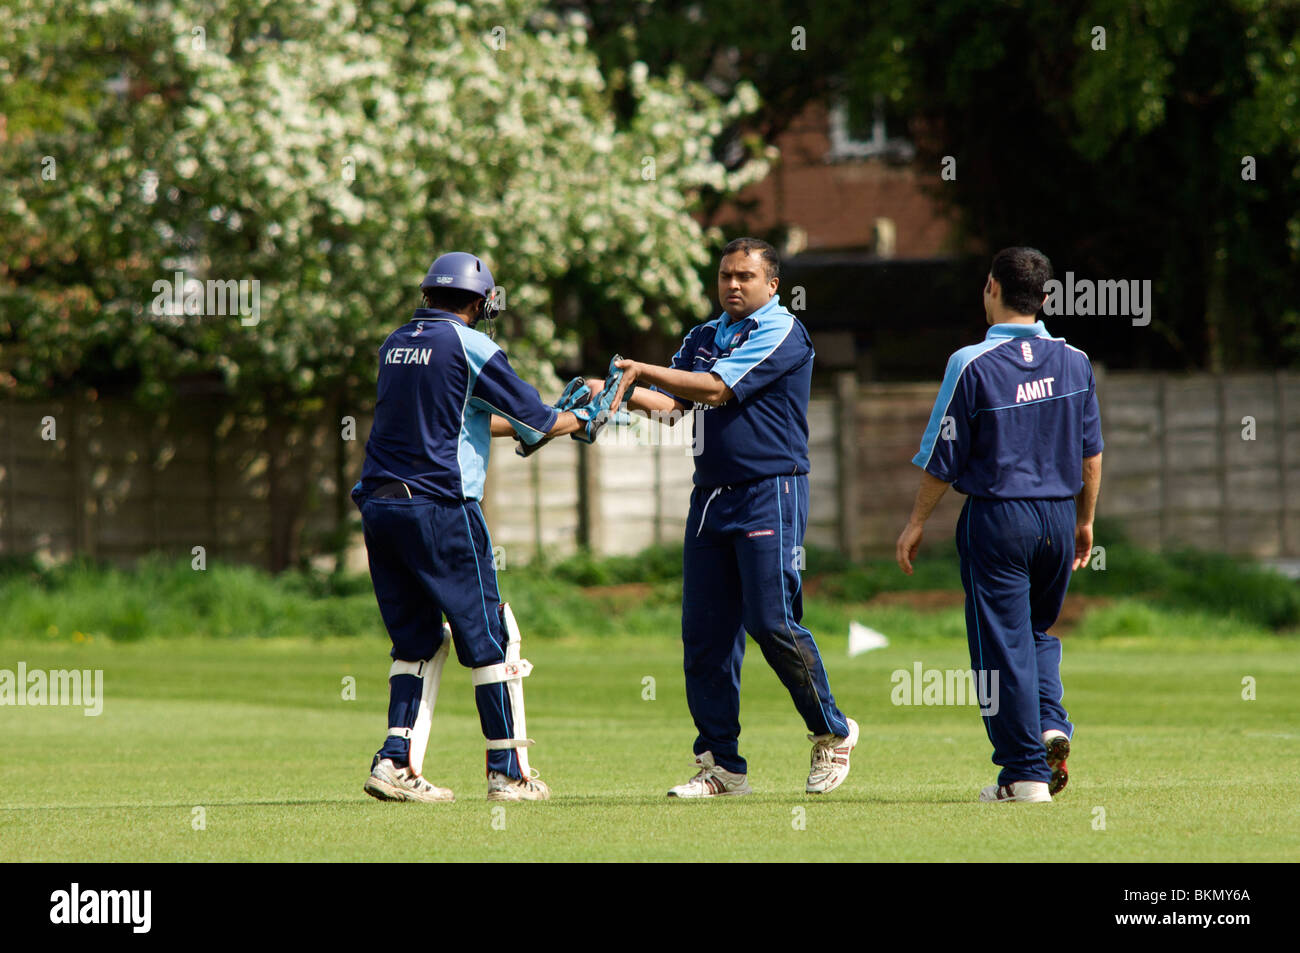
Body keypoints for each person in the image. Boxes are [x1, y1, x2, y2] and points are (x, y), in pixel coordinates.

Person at [608, 237, 859, 798]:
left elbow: (718, 390)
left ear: (772, 285)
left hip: (771, 490)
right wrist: (617, 392)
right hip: (711, 496)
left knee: (771, 623)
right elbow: (676, 406)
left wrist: (642, 369)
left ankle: (833, 733)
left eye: (745, 276)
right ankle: (722, 766)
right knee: (704, 636)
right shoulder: (703, 336)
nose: (733, 285)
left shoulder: (782, 330)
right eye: (725, 275)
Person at [352, 251, 596, 803]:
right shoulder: (473, 345)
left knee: (415, 640)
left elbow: (459, 420)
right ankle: (508, 773)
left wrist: (550, 420)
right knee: (491, 637)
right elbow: (539, 422)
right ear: (482, 301)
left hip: (381, 504)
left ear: (427, 294)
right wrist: (589, 415)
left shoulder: (395, 344)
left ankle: (393, 762)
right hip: (441, 507)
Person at [895, 246, 1103, 803]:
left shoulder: (970, 363)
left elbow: (944, 455)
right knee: (1035, 634)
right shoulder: (1076, 361)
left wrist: (916, 523)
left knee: (1000, 649)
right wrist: (1085, 522)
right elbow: (1091, 454)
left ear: (991, 288)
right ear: (1046, 297)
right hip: (1060, 517)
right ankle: (1050, 723)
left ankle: (1023, 775)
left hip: (999, 519)